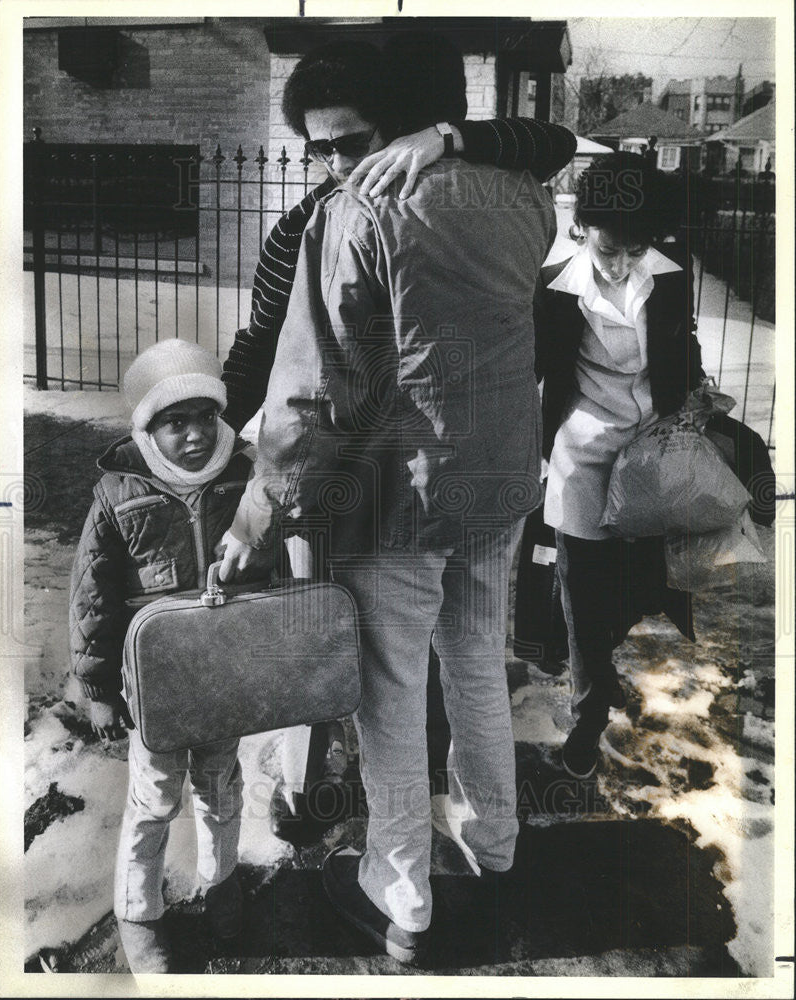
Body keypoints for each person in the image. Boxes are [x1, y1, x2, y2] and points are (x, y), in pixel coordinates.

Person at [219, 43, 557, 965]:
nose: (334, 165)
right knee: (479, 667)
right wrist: (452, 139)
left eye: (350, 141)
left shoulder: (355, 214)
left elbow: (304, 399)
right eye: (318, 151)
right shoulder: (520, 195)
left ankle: (400, 895)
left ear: (396, 121)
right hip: (498, 487)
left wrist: (255, 517)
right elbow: (553, 143)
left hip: (401, 501)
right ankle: (495, 846)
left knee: (392, 698)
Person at [69, 339, 258, 973]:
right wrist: (96, 689)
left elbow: (274, 569)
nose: (198, 435)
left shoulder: (243, 478)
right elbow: (92, 598)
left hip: (224, 679)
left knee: (221, 788)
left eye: (207, 417)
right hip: (152, 687)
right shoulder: (119, 495)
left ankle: (221, 883)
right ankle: (139, 915)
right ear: (148, 429)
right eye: (176, 423)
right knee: (153, 800)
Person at [533, 152, 704, 780]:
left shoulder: (671, 273)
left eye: (634, 249)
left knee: (637, 581)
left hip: (651, 444)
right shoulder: (554, 284)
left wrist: (694, 398)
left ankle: (599, 667)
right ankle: (588, 712)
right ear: (583, 228)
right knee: (579, 586)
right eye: (609, 249)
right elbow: (534, 366)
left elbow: (681, 348)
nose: (621, 264)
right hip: (581, 447)